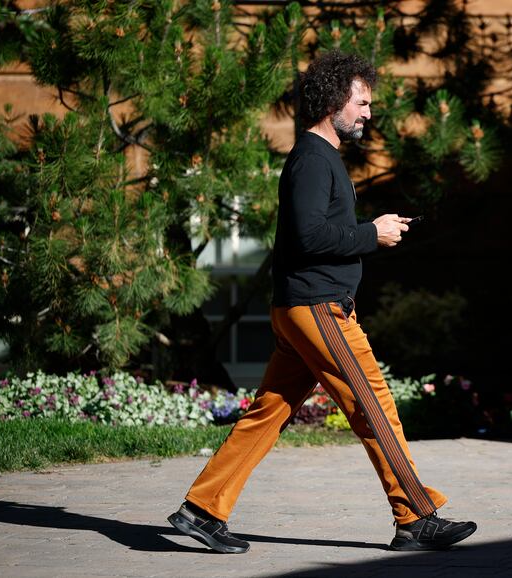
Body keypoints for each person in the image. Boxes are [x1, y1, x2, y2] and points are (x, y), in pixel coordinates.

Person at [168, 50, 477, 555]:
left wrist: (372, 230)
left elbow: (315, 231)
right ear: (334, 101)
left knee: (268, 414)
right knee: (374, 405)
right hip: (318, 308)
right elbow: (308, 235)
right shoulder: (313, 158)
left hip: (304, 308)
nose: (369, 113)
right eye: (362, 102)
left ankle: (201, 509)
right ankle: (416, 517)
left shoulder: (320, 157)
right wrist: (370, 233)